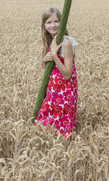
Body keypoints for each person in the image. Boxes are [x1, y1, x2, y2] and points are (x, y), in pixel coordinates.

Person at [34, 7, 78, 138]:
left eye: (56, 21)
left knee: (62, 126)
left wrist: (54, 55)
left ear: (62, 22)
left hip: (65, 91)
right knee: (46, 125)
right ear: (43, 25)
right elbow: (47, 69)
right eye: (48, 22)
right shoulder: (50, 41)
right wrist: (45, 59)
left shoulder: (66, 43)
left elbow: (67, 74)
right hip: (52, 89)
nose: (53, 25)